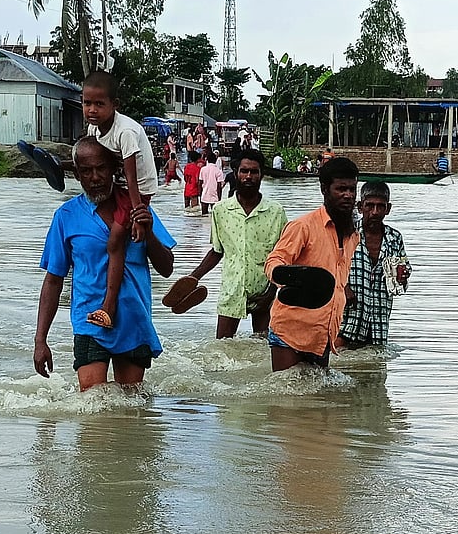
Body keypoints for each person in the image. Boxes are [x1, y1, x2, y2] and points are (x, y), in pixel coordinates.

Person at [33, 137, 176, 391]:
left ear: (114, 169)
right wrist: (40, 340)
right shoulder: (66, 216)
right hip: (89, 320)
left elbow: (166, 268)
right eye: (86, 171)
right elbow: (54, 280)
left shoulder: (138, 208)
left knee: (131, 406)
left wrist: (149, 232)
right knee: (92, 403)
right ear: (77, 175)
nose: (95, 177)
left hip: (134, 319)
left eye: (101, 168)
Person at [175, 150, 287, 339]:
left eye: (254, 172)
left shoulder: (276, 212)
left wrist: (272, 291)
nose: (248, 176)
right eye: (244, 171)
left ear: (262, 175)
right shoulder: (221, 210)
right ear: (236, 174)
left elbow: (284, 256)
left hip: (264, 291)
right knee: (222, 347)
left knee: (263, 350)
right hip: (232, 289)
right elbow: (217, 251)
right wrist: (193, 278)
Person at [263, 157, 360, 371]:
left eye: (352, 189)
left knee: (315, 402)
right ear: (325, 189)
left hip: (323, 333)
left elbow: (337, 274)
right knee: (285, 400)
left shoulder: (353, 235)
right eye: (341, 189)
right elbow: (274, 261)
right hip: (290, 331)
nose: (348, 195)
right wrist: (292, 278)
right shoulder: (303, 227)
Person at [81, 71, 159, 329]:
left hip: (136, 187)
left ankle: (108, 307)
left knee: (115, 240)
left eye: (99, 104)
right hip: (118, 182)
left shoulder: (125, 131)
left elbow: (131, 175)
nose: (92, 110)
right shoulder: (94, 127)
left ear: (115, 105)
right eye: (86, 103)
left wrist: (137, 214)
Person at [338, 181, 411, 349]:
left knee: (375, 368)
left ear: (388, 209)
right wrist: (344, 287)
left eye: (380, 206)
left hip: (378, 318)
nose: (375, 212)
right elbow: (328, 266)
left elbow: (401, 277)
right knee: (338, 358)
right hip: (347, 316)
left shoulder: (395, 238)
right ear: (360, 207)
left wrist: (403, 276)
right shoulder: (346, 233)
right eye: (369, 206)